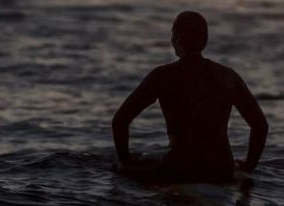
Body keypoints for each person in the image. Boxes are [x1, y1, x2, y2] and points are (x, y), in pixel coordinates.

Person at [112, 11, 269, 183]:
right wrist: (247, 167)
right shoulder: (227, 77)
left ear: (177, 39)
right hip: (222, 169)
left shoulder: (163, 76)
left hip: (180, 168)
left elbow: (120, 120)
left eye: (172, 35)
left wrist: (125, 162)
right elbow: (260, 125)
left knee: (116, 170)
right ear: (205, 41)